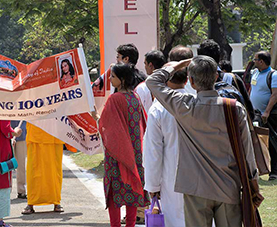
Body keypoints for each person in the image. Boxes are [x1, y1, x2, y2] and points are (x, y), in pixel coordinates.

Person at [147, 56, 261, 227]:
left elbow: (152, 81)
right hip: (228, 185)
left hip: (195, 188)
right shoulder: (234, 108)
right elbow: (247, 151)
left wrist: (178, 65)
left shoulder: (184, 106)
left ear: (191, 81)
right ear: (216, 77)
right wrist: (253, 184)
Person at [99, 63, 149, 227]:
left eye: (113, 76)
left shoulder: (114, 99)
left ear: (122, 80)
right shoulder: (135, 98)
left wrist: (96, 117)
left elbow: (107, 126)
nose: (111, 79)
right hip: (135, 154)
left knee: (115, 193)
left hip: (117, 154)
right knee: (132, 190)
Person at [143, 56, 189, 227]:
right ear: (187, 79)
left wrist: (153, 185)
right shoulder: (196, 102)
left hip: (171, 179)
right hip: (200, 178)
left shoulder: (159, 108)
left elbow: (153, 151)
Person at [22, 124, 64, 214]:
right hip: (35, 132)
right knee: (33, 170)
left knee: (54, 171)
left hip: (54, 133)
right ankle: (31, 203)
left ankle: (56, 202)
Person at [249, 50, 277, 180]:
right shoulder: (255, 73)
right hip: (255, 114)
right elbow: (251, 90)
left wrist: (267, 111)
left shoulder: (273, 75)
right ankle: (259, 169)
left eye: (255, 60)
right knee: (255, 141)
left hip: (269, 115)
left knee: (272, 142)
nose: (253, 62)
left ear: (261, 61)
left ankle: (274, 171)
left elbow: (275, 94)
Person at [10, 120, 27, 200]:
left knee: (21, 164)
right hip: (7, 132)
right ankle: (6, 189)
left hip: (22, 132)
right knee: (7, 164)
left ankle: (21, 190)